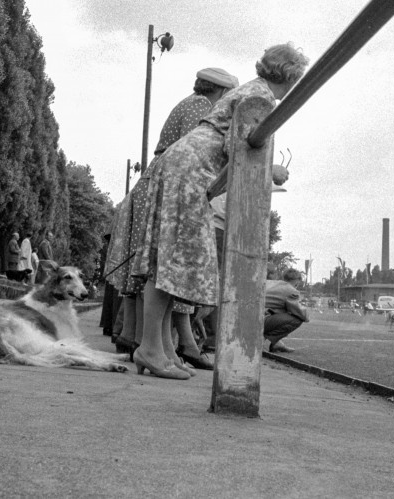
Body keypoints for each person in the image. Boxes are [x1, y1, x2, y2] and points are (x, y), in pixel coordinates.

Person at [130, 43, 309, 379]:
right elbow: (238, 145)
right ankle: (151, 347)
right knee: (172, 258)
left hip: (188, 164)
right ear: (290, 74)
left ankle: (162, 348)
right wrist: (272, 170)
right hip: (193, 168)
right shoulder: (262, 98)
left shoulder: (250, 90)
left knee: (172, 257)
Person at [105, 67, 239, 371]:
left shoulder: (190, 104)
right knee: (166, 265)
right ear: (221, 93)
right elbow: (197, 156)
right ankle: (162, 346)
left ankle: (156, 344)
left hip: (155, 182)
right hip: (169, 185)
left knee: (156, 265)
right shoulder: (203, 109)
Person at [264, 268, 309, 353]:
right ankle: (261, 340)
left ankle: (277, 343)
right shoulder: (291, 291)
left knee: (282, 310)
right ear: (297, 281)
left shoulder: (270, 283)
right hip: (261, 320)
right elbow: (302, 314)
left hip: (251, 317)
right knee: (296, 319)